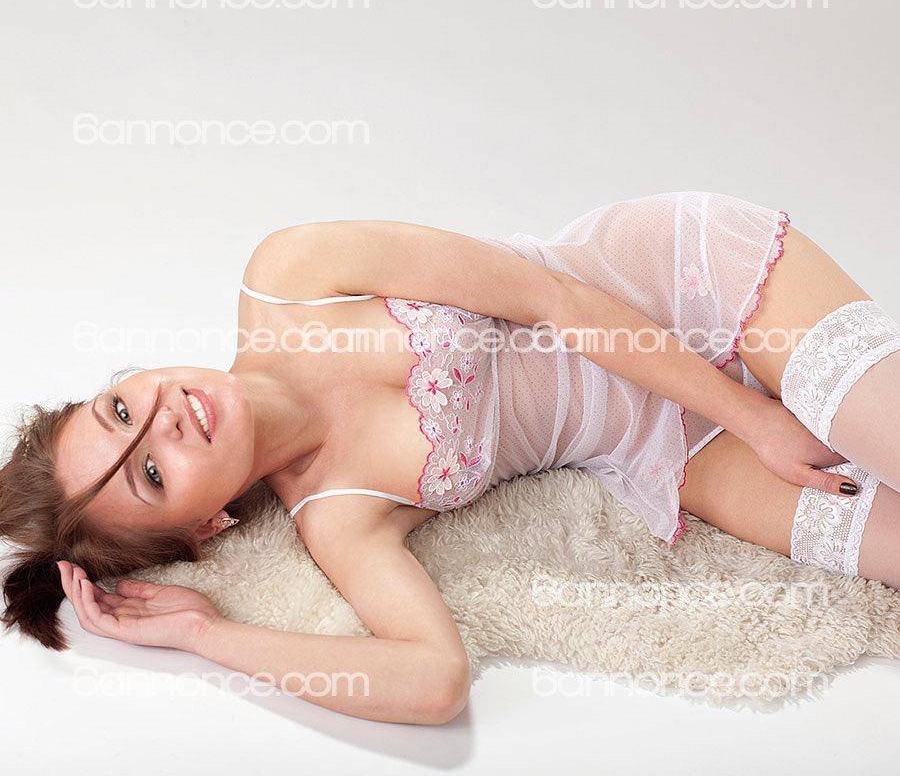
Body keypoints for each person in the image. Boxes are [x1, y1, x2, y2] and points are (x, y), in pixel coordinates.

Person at [2, 190, 899, 725]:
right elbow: (433, 682)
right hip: (669, 441)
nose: (163, 419)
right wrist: (205, 635)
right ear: (208, 524)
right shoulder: (336, 512)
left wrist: (755, 415)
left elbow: (551, 297)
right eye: (151, 474)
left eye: (122, 409)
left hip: (671, 288)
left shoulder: (291, 276)